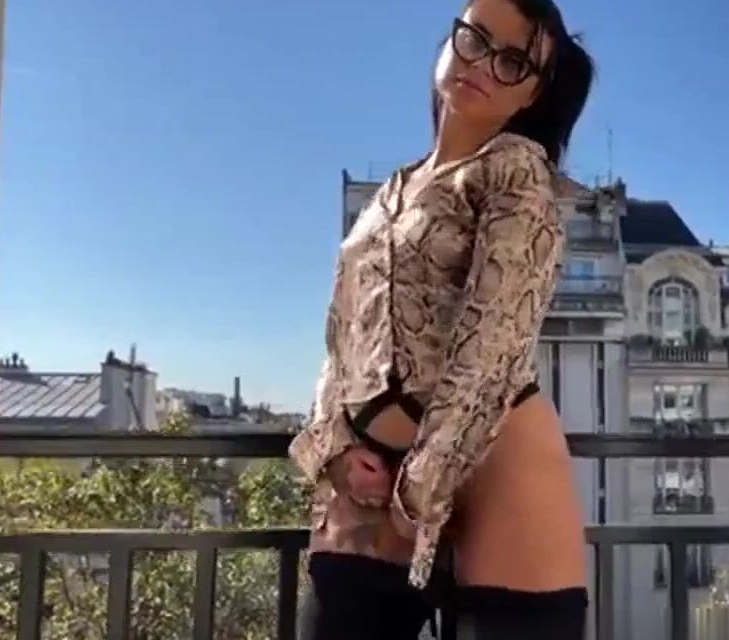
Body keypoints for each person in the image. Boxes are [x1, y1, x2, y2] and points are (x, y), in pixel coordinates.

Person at [288, 0, 595, 638]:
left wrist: (422, 484)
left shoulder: (514, 170)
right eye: (474, 39)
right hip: (372, 477)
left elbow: (496, 337)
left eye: (512, 61)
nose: (482, 63)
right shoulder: (389, 192)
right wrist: (335, 449)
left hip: (497, 463)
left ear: (533, 93)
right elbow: (342, 338)